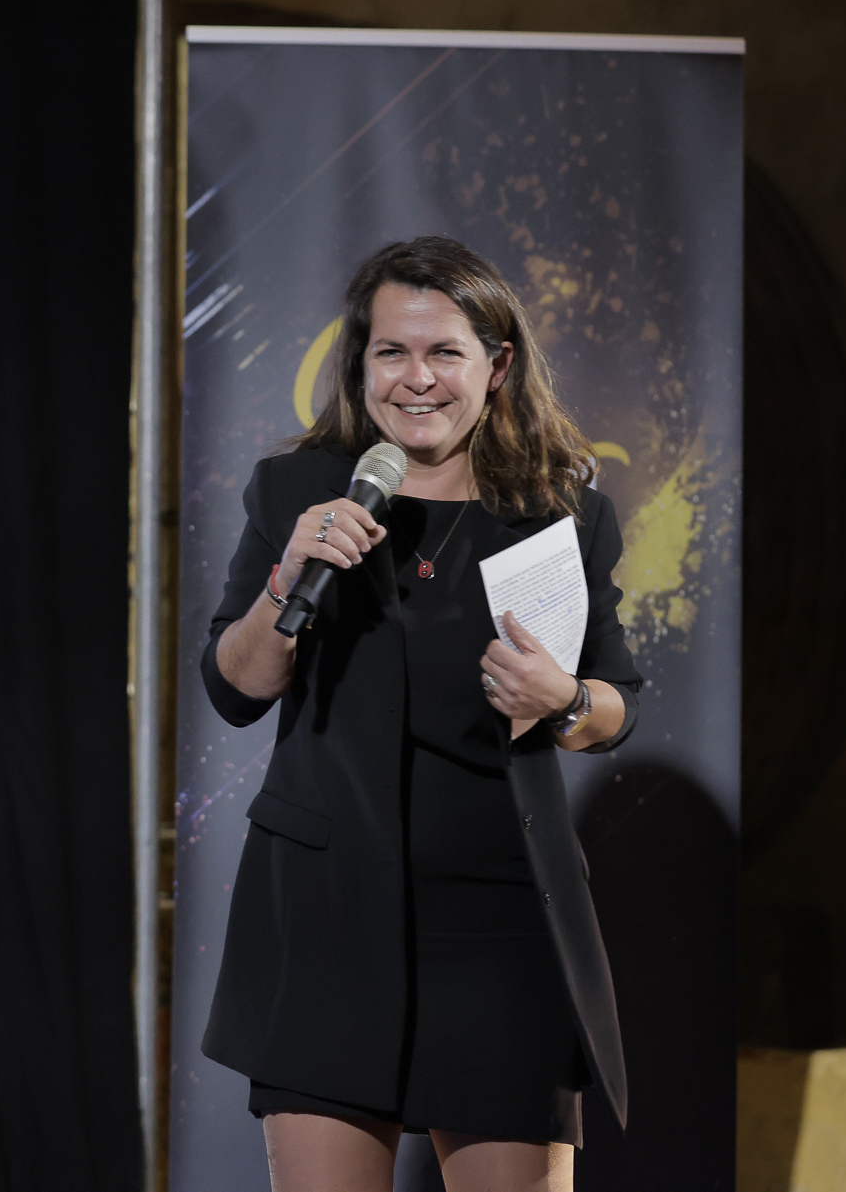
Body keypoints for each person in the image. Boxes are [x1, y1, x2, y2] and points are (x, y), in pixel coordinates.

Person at [199, 236, 641, 1192]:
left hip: (499, 924)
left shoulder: (559, 512)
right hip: (326, 913)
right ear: (360, 364)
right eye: (391, 351)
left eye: (445, 352)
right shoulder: (298, 490)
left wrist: (564, 699)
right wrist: (284, 578)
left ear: (497, 365)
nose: (417, 378)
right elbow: (234, 689)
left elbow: (616, 703)